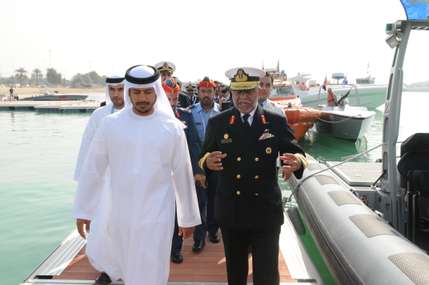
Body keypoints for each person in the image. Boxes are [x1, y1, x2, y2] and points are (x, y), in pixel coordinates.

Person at [73, 65, 201, 285]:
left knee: (154, 266)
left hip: (158, 212)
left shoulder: (171, 127)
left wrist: (188, 217)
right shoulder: (110, 124)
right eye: (137, 92)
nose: (142, 98)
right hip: (121, 212)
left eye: (147, 92)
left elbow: (182, 172)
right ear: (129, 92)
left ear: (155, 92)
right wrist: (84, 209)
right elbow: (93, 168)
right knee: (128, 265)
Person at [199, 67, 307, 285]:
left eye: (248, 91)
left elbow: (296, 150)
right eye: (237, 92)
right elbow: (203, 156)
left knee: (266, 275)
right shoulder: (218, 123)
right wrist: (207, 162)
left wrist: (297, 162)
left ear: (258, 90)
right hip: (232, 211)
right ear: (231, 93)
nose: (242, 97)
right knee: (236, 274)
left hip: (265, 211)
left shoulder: (275, 121)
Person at [73, 75, 125, 285]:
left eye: (120, 89)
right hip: (104, 184)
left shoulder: (138, 115)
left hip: (130, 183)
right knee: (103, 228)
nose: (116, 94)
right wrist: (84, 193)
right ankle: (107, 271)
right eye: (112, 90)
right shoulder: (99, 115)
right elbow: (87, 150)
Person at [162, 78, 207, 262]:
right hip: (160, 174)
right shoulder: (153, 118)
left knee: (178, 211)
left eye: (174, 95)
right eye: (168, 95)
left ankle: (175, 249)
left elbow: (195, 144)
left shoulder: (185, 116)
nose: (172, 98)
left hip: (181, 171)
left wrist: (198, 170)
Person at [191, 76, 221, 244]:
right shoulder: (190, 112)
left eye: (209, 91)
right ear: (198, 92)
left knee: (215, 196)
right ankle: (199, 235)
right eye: (203, 91)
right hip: (197, 161)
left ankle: (213, 229)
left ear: (214, 92)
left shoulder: (222, 113)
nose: (206, 94)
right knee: (199, 198)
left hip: (215, 160)